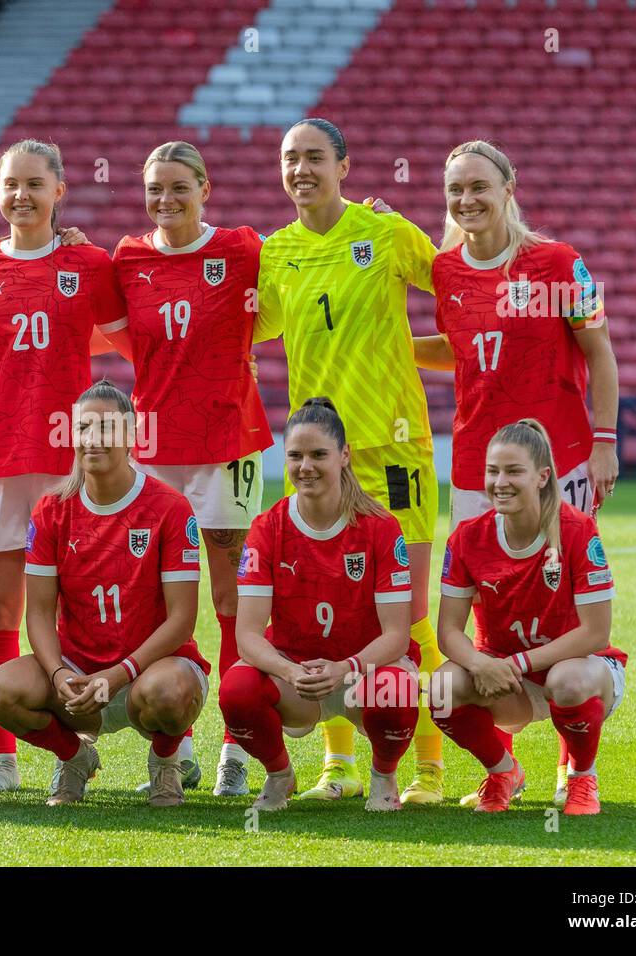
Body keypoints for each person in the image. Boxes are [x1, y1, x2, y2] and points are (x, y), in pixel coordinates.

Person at [415, 140, 620, 805]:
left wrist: (605, 442)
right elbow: (462, 349)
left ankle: (574, 761)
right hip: (476, 463)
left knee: (563, 598)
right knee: (485, 606)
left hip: (558, 461)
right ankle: (502, 763)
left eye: (479, 186)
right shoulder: (446, 271)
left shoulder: (558, 263)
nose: (467, 200)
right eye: (456, 191)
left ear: (508, 187)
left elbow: (599, 349)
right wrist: (391, 348)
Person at [255, 118, 446, 805]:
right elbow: (238, 328)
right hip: (316, 455)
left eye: (313, 157)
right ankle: (338, 763)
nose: (300, 169)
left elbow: (458, 284)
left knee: (411, 608)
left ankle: (427, 766)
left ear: (344, 164)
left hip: (394, 447)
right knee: (320, 607)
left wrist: (412, 345)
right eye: (289, 159)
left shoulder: (386, 233)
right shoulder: (274, 253)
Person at [0, 139, 130, 794]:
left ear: (59, 190)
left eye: (33, 184)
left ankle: (85, 748)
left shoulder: (88, 265)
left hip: (65, 469)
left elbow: (131, 338)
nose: (20, 196)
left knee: (69, 611)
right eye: (9, 185)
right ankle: (6, 759)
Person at [111, 141, 272, 795]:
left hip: (229, 443)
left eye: (179, 186)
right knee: (156, 603)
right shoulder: (128, 258)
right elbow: (98, 317)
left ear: (205, 188)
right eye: (154, 188)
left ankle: (236, 746)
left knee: (233, 599)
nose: (166, 198)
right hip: (153, 451)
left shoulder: (241, 248)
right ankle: (169, 748)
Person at [0, 381, 208, 806]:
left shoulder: (170, 508)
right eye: (84, 427)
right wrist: (57, 674)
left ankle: (165, 763)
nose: (93, 438)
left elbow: (182, 620)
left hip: (148, 672)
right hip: (78, 673)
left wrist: (119, 673)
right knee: (1, 690)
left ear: (131, 436)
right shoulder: (51, 510)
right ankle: (74, 757)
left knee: (169, 694)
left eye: (107, 427)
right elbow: (39, 614)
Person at [223, 398, 418, 811]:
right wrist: (290, 671)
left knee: (398, 688)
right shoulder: (267, 528)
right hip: (296, 675)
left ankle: (384, 775)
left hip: (362, 673)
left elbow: (398, 635)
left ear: (344, 456)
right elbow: (247, 635)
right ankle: (279, 776)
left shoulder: (381, 527)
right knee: (237, 690)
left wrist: (346, 668)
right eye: (295, 455)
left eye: (318, 455)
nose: (304, 466)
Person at [434, 419, 625, 815]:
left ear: (542, 477)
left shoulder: (577, 529)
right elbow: (449, 631)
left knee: (567, 681)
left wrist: (517, 662)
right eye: (492, 470)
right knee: (441, 687)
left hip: (581, 671)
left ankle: (581, 777)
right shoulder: (467, 538)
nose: (499, 482)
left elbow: (595, 632)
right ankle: (503, 772)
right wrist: (478, 662)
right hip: (508, 681)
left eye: (513, 471)